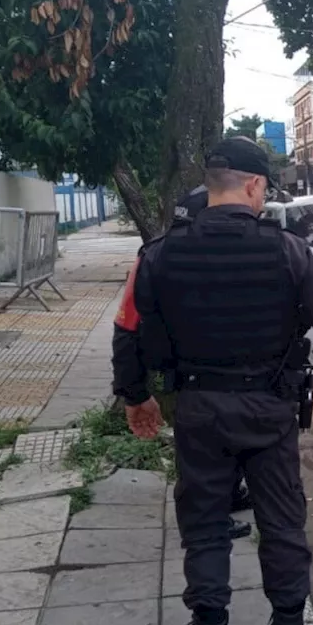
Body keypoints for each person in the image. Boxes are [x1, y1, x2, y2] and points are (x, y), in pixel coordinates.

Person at [126, 137, 313, 625]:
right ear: (254, 184)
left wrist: (134, 394)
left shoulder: (162, 251)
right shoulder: (286, 250)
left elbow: (134, 328)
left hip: (198, 408)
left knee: (205, 526)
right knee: (282, 522)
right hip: (268, 408)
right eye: (265, 191)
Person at [112, 185, 253, 542]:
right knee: (208, 457)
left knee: (202, 452)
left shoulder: (153, 258)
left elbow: (126, 329)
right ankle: (208, 520)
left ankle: (222, 503)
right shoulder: (243, 255)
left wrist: (134, 392)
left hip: (183, 381)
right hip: (234, 382)